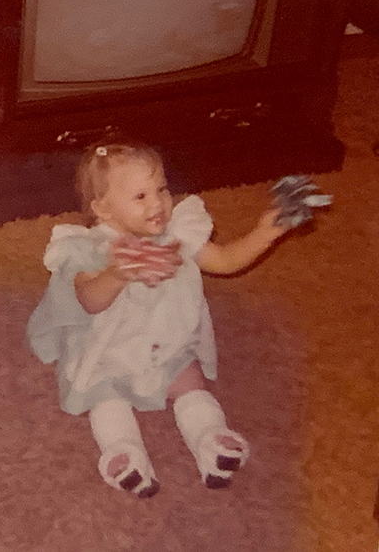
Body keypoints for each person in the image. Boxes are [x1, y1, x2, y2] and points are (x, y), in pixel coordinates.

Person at [26, 141, 288, 497]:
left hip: (165, 341)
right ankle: (123, 451)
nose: (158, 203)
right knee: (105, 397)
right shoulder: (87, 248)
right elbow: (89, 300)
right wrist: (118, 274)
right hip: (108, 349)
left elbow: (226, 261)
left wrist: (265, 232)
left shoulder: (179, 234)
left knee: (189, 379)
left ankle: (211, 436)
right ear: (102, 209)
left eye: (161, 189)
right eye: (140, 196)